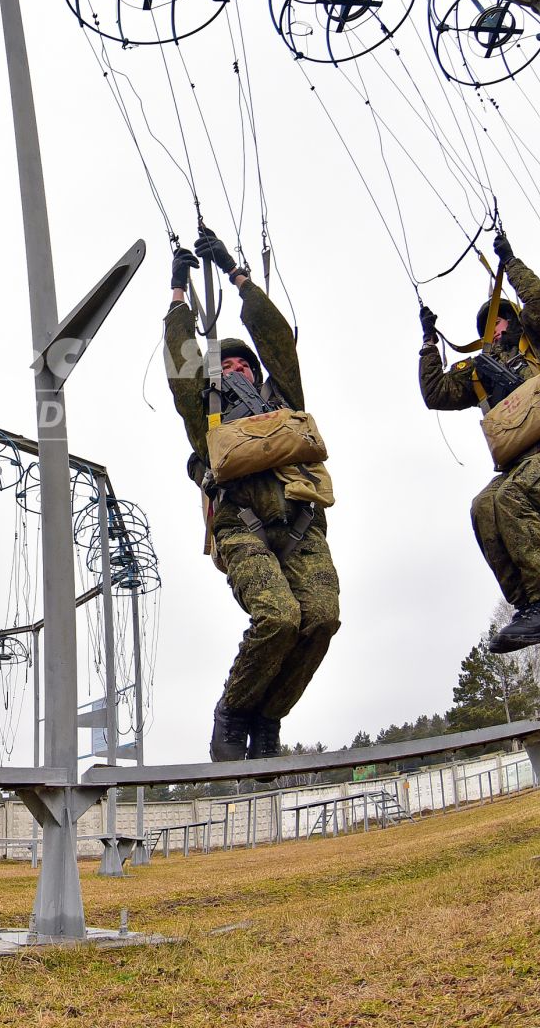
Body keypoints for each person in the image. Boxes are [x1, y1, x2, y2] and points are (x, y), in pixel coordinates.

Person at [165, 228, 339, 761]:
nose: (237, 368)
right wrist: (178, 297)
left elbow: (277, 340)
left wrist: (239, 278)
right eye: (228, 365)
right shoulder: (207, 411)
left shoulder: (281, 397)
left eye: (245, 365)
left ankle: (268, 718)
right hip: (241, 522)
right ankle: (234, 711)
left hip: (298, 517)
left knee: (321, 618)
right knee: (279, 617)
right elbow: (182, 363)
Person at [419, 232, 540, 653]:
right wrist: (428, 343)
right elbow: (436, 393)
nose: (493, 329)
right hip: (524, 465)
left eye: (499, 320)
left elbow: (538, 301)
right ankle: (530, 607)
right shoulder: (479, 371)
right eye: (487, 326)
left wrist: (510, 261)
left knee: (512, 498)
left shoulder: (538, 345)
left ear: (513, 322)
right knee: (484, 506)